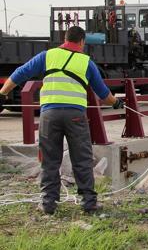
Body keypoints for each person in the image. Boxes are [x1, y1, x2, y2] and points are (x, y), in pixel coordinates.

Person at [0, 26, 124, 215]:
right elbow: (103, 94)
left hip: (49, 115)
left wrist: (3, 92)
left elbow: (20, 73)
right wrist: (116, 103)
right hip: (75, 116)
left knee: (49, 160)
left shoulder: (47, 56)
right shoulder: (86, 62)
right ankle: (89, 203)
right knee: (81, 159)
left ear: (65, 39)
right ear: (82, 42)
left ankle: (48, 203)